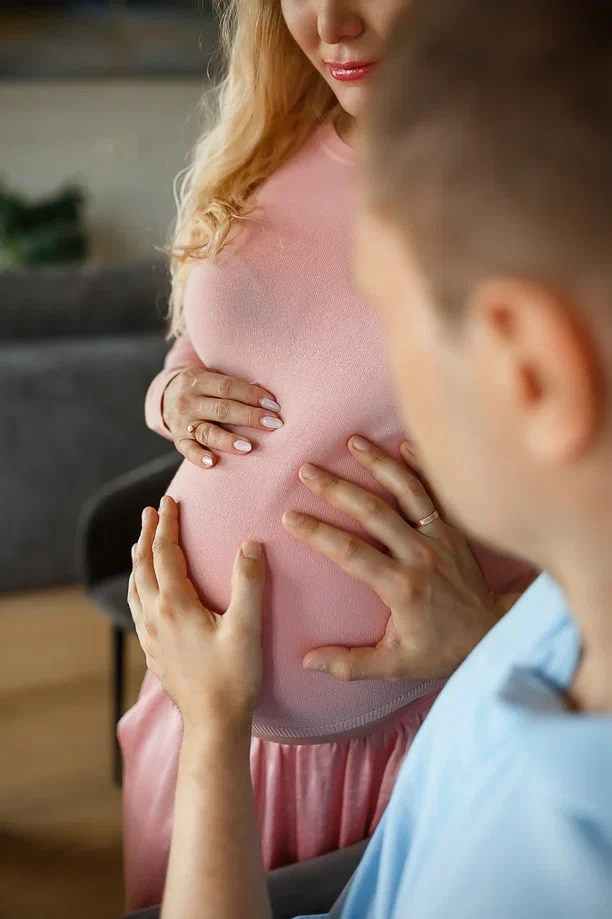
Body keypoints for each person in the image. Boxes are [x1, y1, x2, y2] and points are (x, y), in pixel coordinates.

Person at [127, 0, 612, 915]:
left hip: (363, 728)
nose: (331, 20)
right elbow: (216, 344)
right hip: (197, 695)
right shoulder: (547, 652)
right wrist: (171, 392)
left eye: (402, 323)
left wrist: (480, 638)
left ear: (533, 363)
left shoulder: (526, 795)